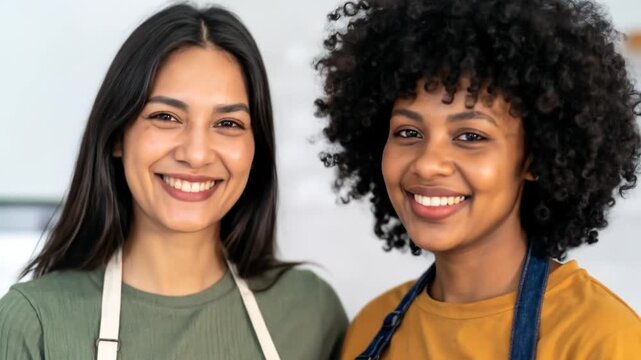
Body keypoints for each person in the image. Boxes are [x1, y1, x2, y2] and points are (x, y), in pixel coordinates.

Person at [0, 4, 347, 359]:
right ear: (117, 135)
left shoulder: (311, 313)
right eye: (166, 116)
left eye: (228, 124)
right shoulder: (35, 324)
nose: (196, 154)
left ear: (255, 147)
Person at [314, 0, 641, 358]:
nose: (427, 165)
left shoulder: (602, 339)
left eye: (470, 136)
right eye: (408, 132)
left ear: (535, 158)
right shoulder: (371, 326)